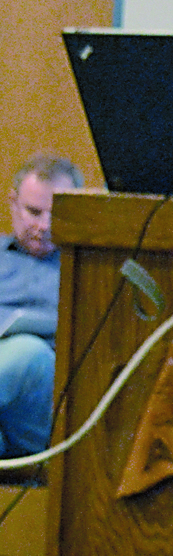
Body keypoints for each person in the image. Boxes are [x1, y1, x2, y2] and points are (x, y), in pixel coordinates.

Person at [0, 151, 83, 459]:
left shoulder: (88, 271)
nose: (45, 225)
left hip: (45, 409)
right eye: (34, 212)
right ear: (12, 203)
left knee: (29, 353)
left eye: (56, 214)